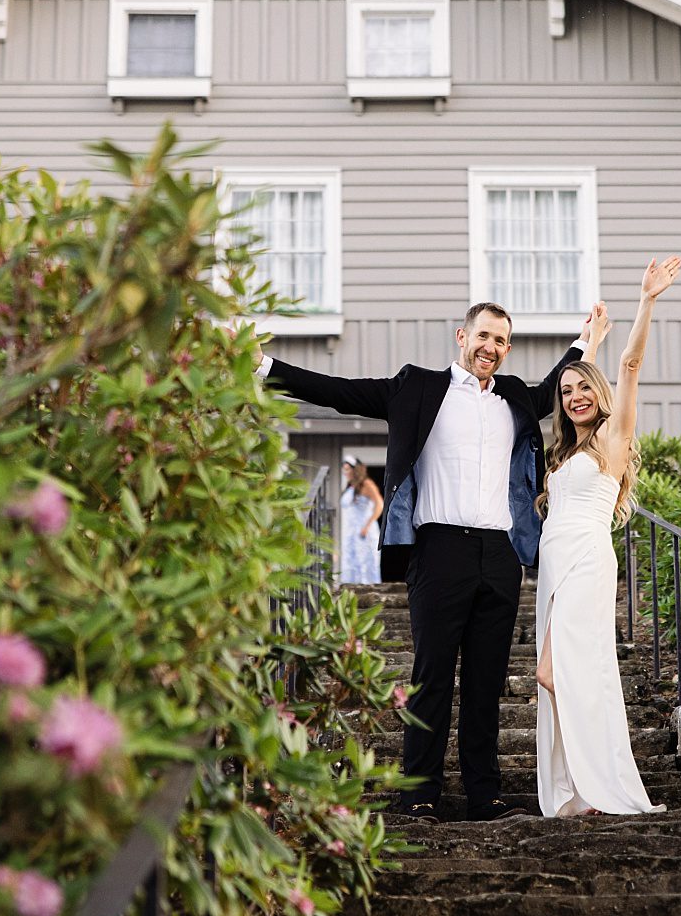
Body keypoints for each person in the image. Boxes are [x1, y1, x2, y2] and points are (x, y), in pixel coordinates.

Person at [258, 301, 602, 822]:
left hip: (500, 553)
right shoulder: (415, 387)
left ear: (507, 350)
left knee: (487, 681)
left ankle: (485, 794)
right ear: (462, 336)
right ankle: (418, 793)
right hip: (438, 549)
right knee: (432, 676)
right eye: (484, 336)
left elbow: (554, 387)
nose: (491, 348)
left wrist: (585, 345)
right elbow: (337, 390)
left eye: (502, 341)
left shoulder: (513, 397)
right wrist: (263, 367)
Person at [535, 256, 681, 818]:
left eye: (583, 388)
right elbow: (578, 377)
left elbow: (632, 363)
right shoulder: (565, 451)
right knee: (558, 671)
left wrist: (646, 301)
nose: (574, 396)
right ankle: (579, 789)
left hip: (588, 558)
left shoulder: (612, 440)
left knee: (558, 670)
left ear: (599, 394)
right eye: (566, 390)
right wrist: (584, 345)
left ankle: (599, 784)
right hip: (553, 560)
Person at [337, 455, 383, 585]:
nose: (346, 473)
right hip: (351, 532)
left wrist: (367, 525)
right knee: (351, 563)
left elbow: (379, 505)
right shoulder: (351, 487)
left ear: (355, 469)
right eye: (344, 469)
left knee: (365, 563)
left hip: (364, 531)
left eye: (348, 469)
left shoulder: (366, 484)